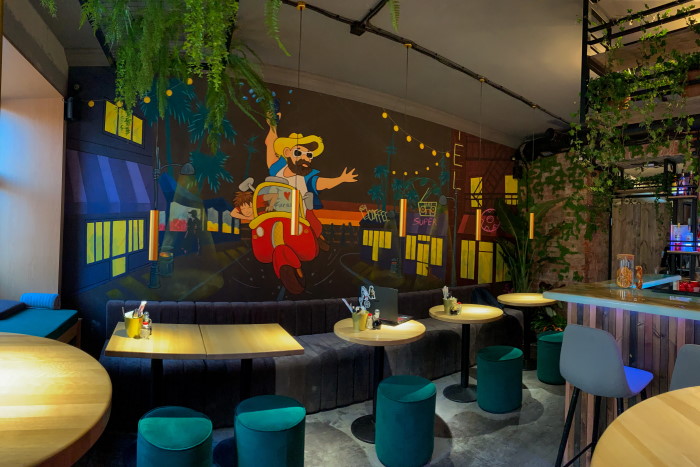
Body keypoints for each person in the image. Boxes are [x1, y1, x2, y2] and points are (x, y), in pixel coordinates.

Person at [265, 116, 358, 251]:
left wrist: (340, 179)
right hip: (276, 214)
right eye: (299, 152)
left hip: (300, 217)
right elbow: (270, 143)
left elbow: (323, 183)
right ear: (287, 152)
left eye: (309, 155)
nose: (305, 158)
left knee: (312, 228)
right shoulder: (277, 168)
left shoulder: (307, 177)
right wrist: (273, 124)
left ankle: (316, 240)